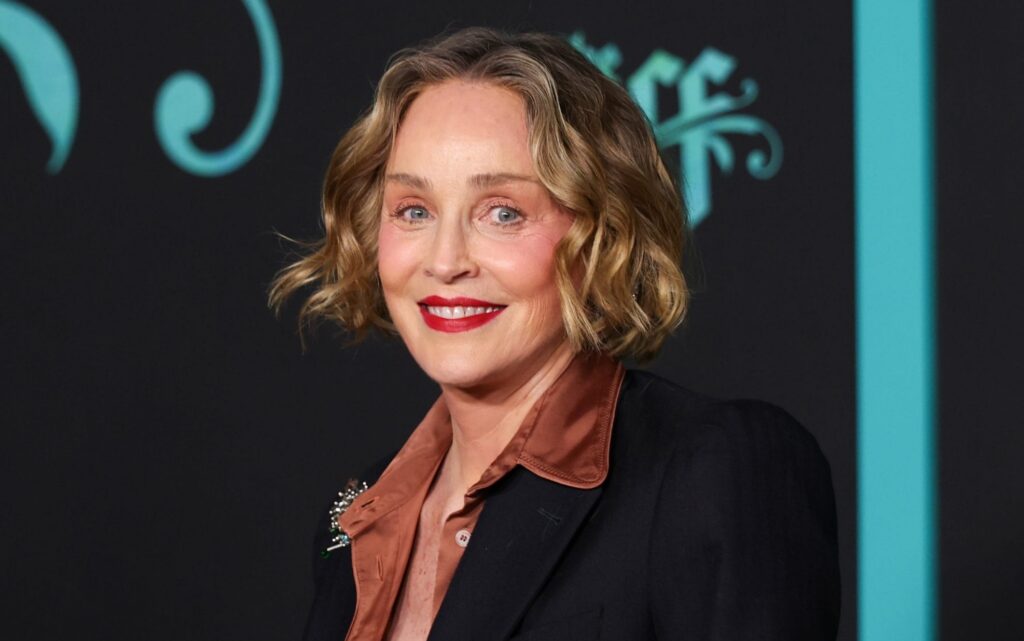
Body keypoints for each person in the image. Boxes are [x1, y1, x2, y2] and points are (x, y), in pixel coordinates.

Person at [270, 27, 839, 641]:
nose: (445, 260)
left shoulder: (711, 471)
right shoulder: (362, 512)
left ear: (601, 237)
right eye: (414, 210)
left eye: (502, 212)